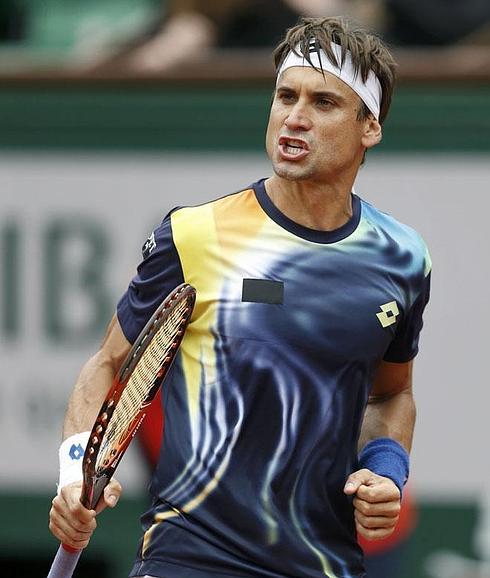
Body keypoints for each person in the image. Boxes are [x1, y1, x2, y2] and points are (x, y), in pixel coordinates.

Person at [49, 16, 431, 578]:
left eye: (323, 103)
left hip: (323, 562)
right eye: (285, 96)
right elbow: (108, 364)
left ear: (368, 126)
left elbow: (389, 395)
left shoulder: (402, 257)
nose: (294, 117)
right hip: (188, 559)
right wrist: (74, 470)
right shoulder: (193, 235)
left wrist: (385, 466)